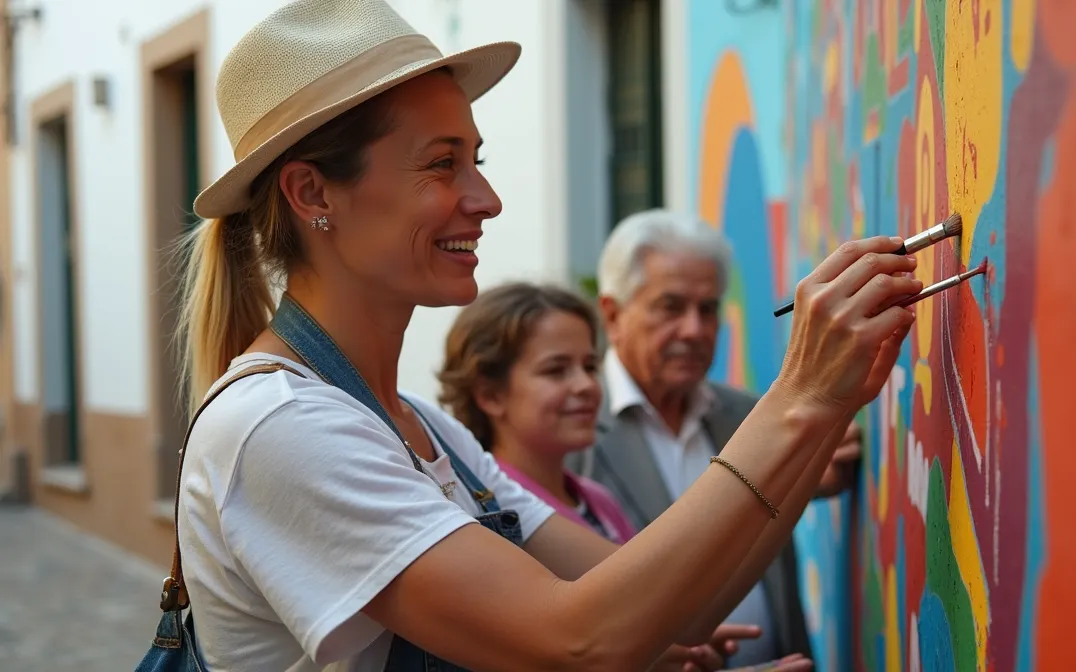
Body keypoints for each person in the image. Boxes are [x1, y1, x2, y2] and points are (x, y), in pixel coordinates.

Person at [146, 1, 921, 670]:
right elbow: (579, 640)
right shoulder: (283, 427)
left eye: (475, 160)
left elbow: (660, 605)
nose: (485, 199)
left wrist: (823, 409)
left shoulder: (424, 427)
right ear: (313, 192)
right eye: (441, 165)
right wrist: (801, 394)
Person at [567, 209, 863, 666]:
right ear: (613, 314)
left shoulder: (750, 413)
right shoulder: (571, 436)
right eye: (671, 307)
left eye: (707, 309)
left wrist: (805, 472)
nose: (694, 330)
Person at [437, 282, 637, 545]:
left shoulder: (600, 501)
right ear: (490, 395)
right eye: (556, 370)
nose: (587, 385)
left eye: (589, 366)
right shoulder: (484, 513)